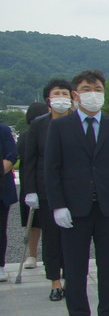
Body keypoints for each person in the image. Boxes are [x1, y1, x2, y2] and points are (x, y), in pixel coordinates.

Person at [43, 69, 109, 316]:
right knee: (75, 266)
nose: (92, 94)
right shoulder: (59, 127)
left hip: (107, 207)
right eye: (85, 89)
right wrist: (58, 205)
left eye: (97, 89)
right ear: (75, 94)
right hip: (74, 208)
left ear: (103, 93)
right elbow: (52, 169)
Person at [20, 79, 75, 301]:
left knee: (73, 237)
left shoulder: (78, 122)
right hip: (46, 189)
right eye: (57, 93)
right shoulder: (39, 125)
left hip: (74, 188)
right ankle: (54, 281)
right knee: (51, 237)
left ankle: (71, 277)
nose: (61, 97)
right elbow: (30, 161)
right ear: (48, 99)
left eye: (65, 93)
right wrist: (30, 190)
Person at [18, 100, 47, 270]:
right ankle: (32, 255)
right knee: (33, 223)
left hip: (47, 185)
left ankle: (36, 255)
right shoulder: (26, 136)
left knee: (44, 224)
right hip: (31, 184)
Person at [0, 121, 15, 283]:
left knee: (0, 228)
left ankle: (0, 265)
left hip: (1, 187)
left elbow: (11, 156)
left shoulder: (3, 130)